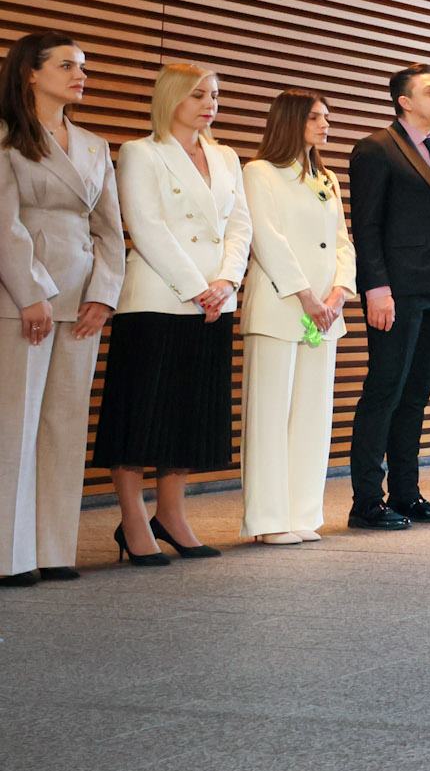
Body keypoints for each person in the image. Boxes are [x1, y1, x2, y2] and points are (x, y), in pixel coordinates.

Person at [93, 61, 249, 563]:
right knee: (141, 413)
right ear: (171, 98)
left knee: (188, 415)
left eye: (215, 95)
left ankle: (172, 514)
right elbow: (145, 224)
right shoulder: (141, 152)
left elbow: (240, 227)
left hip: (213, 303)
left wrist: (225, 284)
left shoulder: (226, 156)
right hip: (159, 299)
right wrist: (196, 286)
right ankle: (133, 520)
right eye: (198, 94)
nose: (209, 104)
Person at [0, 32, 123, 583]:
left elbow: (111, 230)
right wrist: (30, 292)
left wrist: (104, 294)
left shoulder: (94, 145)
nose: (81, 75)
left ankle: (52, 550)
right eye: (68, 65)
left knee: (64, 424)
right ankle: (10, 554)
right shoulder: (5, 137)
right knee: (15, 424)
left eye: (84, 67)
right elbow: (4, 224)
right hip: (21, 294)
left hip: (82, 299)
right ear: (31, 71)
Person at [346, 63, 430, 532]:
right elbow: (368, 225)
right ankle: (366, 502)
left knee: (415, 395)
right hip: (394, 292)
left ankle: (406, 492)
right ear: (404, 101)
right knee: (385, 391)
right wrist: (376, 288)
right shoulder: (377, 149)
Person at [240, 90, 352, 545]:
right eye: (315, 117)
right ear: (290, 121)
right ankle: (267, 521)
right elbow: (266, 238)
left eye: (326, 117)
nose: (324, 124)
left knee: (312, 414)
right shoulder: (259, 172)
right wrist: (307, 296)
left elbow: (343, 241)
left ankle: (302, 512)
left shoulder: (324, 176)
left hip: (326, 314)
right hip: (280, 306)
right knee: (270, 415)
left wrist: (339, 292)